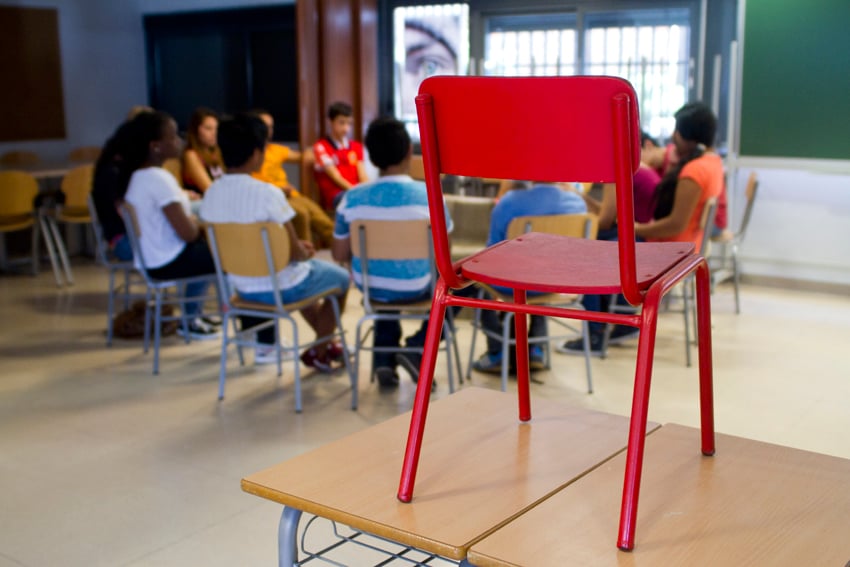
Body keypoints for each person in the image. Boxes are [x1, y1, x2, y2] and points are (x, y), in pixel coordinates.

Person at [200, 113, 351, 370]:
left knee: (307, 277)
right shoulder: (268, 193)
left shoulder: (211, 194)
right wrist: (304, 251)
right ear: (257, 153)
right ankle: (321, 348)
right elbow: (292, 254)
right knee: (339, 279)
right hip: (280, 286)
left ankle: (326, 344)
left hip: (241, 287)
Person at [332, 116, 453, 389]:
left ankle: (384, 360)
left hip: (371, 286)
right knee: (456, 288)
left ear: (371, 158)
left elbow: (339, 253)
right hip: (417, 285)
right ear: (410, 152)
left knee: (383, 277)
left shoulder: (351, 197)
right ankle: (416, 346)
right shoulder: (430, 195)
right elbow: (446, 252)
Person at [468, 181, 587, 374]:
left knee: (474, 279)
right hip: (559, 282)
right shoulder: (577, 203)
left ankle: (497, 350)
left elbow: (492, 251)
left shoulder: (510, 202)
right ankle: (535, 348)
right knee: (544, 273)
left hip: (512, 283)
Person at [122, 111, 220, 339]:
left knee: (212, 250)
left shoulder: (139, 175)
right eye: (173, 137)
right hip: (167, 261)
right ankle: (205, 318)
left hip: (153, 259)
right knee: (226, 253)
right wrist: (196, 225)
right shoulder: (159, 178)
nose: (179, 142)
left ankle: (193, 314)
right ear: (155, 146)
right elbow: (187, 234)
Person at [250, 109, 335, 248]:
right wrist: (279, 189)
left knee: (319, 215)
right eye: (264, 125)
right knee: (301, 214)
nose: (268, 130)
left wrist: (317, 151)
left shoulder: (275, 149)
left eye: (271, 127)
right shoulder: (250, 153)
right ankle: (306, 257)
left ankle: (349, 252)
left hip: (290, 195)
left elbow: (303, 156)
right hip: (270, 198)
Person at [312, 102, 368, 210]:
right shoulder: (321, 147)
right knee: (359, 204)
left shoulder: (356, 147)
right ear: (330, 122)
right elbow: (335, 177)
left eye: (349, 123)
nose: (346, 128)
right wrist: (358, 193)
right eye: (341, 123)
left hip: (356, 192)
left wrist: (368, 190)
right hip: (336, 195)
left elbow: (362, 175)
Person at [182, 107, 224, 196]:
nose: (214, 133)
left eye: (216, 129)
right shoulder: (191, 155)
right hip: (203, 202)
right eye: (208, 128)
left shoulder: (215, 153)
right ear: (196, 130)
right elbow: (209, 188)